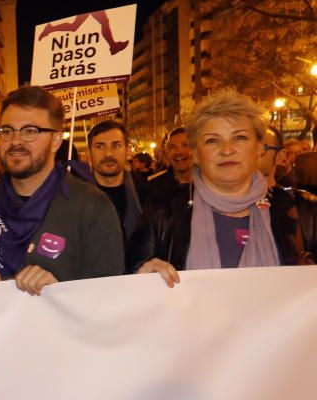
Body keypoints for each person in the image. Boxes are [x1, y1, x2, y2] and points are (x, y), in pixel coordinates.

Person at [128, 90, 317, 284]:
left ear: (260, 147)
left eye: (240, 138)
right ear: (195, 152)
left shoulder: (303, 211)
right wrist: (142, 276)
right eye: (212, 141)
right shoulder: (161, 210)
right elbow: (131, 287)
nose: (227, 150)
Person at [0, 86, 124, 295]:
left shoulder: (92, 207)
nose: (15, 141)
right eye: (6, 131)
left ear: (56, 141)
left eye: (30, 131)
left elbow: (109, 297)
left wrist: (58, 292)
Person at [87, 120, 143, 240]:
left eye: (116, 145)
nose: (108, 154)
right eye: (99, 146)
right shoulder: (74, 196)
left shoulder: (145, 195)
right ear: (89, 153)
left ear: (128, 151)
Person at [147, 127, 193, 198]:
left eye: (185, 145)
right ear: (167, 153)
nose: (178, 151)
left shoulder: (212, 185)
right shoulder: (154, 187)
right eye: (172, 147)